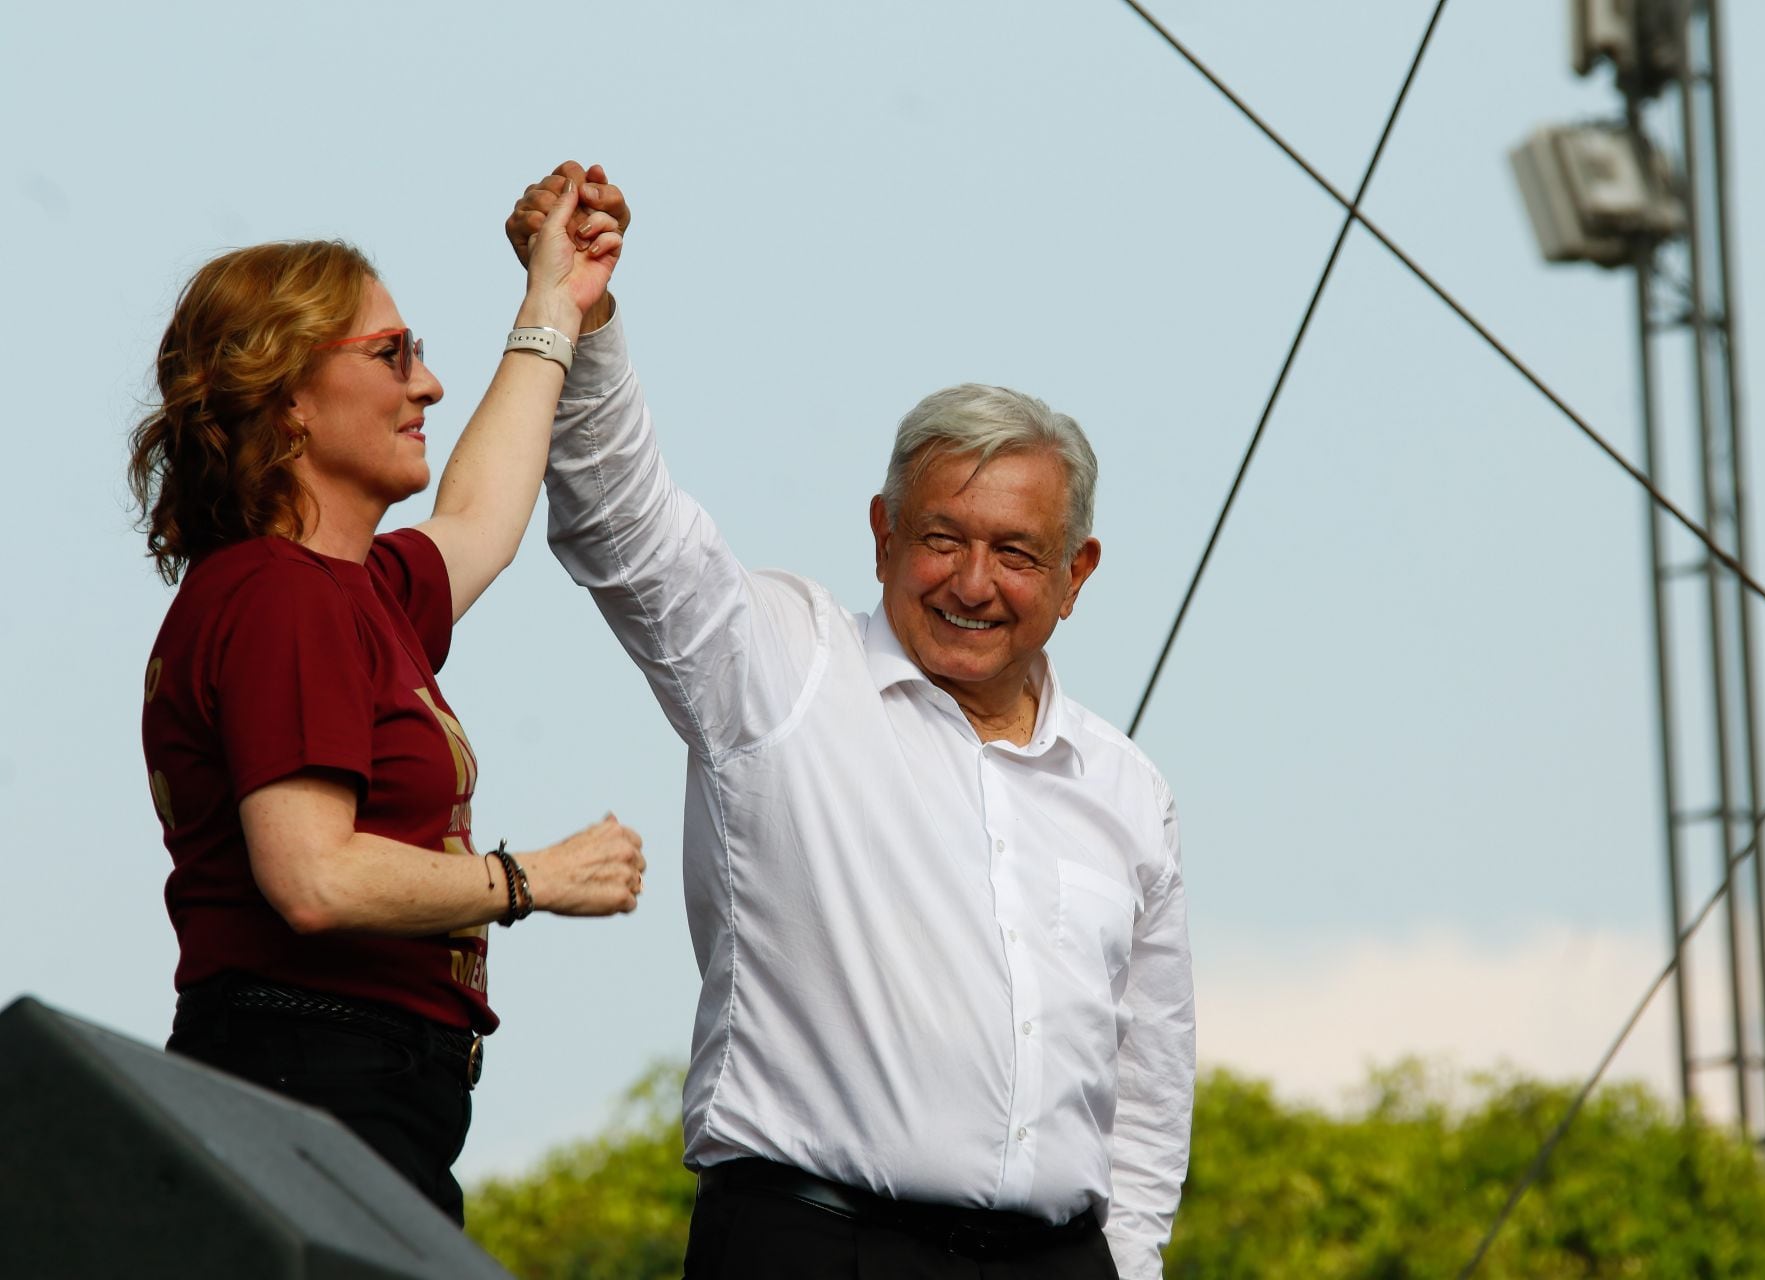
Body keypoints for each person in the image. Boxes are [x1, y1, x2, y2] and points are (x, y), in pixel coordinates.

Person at [511, 164, 1195, 1278]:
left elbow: (1150, 1088)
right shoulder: (782, 668)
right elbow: (623, 525)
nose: (972, 580)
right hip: (814, 1244)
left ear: (1078, 575)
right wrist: (582, 319)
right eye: (942, 537)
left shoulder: (1127, 787)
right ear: (881, 535)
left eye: (1016, 553)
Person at [132, 173, 647, 1224]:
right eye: (392, 354)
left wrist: (556, 299)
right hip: (308, 1082)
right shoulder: (282, 596)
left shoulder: (349, 591)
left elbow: (482, 517)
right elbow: (314, 876)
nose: (428, 386)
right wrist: (531, 876)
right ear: (285, 394)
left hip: (347, 1091)